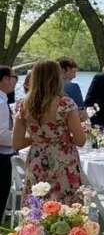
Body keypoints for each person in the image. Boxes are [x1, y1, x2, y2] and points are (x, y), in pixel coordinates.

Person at [12, 60, 86, 203]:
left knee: (38, 205)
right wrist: (59, 137)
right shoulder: (65, 104)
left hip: (37, 160)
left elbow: (17, 143)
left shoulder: (23, 105)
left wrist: (39, 137)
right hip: (63, 160)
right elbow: (80, 140)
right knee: (65, 207)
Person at [0, 67, 18, 214]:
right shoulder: (1, 102)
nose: (15, 82)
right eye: (14, 78)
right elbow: (2, 135)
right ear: (6, 79)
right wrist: (23, 139)